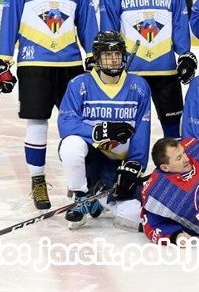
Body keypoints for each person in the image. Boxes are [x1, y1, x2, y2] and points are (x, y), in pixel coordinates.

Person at [0, 0, 98, 210]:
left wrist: (93, 53)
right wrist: (3, 59)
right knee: (37, 122)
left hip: (70, 63)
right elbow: (10, 16)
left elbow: (87, 21)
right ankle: (38, 181)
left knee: (75, 125)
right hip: (33, 61)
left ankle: (79, 181)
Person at [98, 0, 196, 139]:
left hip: (166, 71)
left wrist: (185, 54)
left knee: (173, 127)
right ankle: (131, 167)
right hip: (130, 71)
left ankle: (172, 169)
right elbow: (110, 29)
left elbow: (179, 22)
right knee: (129, 128)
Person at [56, 31, 152, 229]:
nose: (113, 60)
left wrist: (135, 164)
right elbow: (65, 123)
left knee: (134, 214)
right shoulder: (79, 84)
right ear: (97, 58)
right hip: (91, 156)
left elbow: (142, 130)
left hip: (119, 161)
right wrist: (99, 130)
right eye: (107, 55)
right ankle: (81, 197)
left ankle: (97, 197)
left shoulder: (139, 86)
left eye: (117, 54)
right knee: (70, 145)